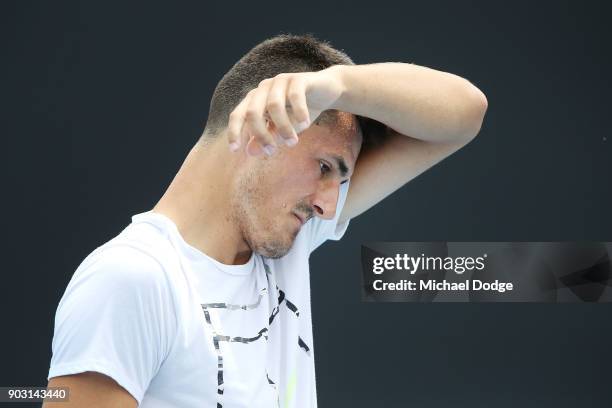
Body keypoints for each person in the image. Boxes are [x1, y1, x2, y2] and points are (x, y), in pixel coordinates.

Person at [44, 34, 487, 407]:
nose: (329, 206)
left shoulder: (282, 244)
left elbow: (464, 114)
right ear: (264, 129)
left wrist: (338, 85)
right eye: (325, 167)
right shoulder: (133, 280)